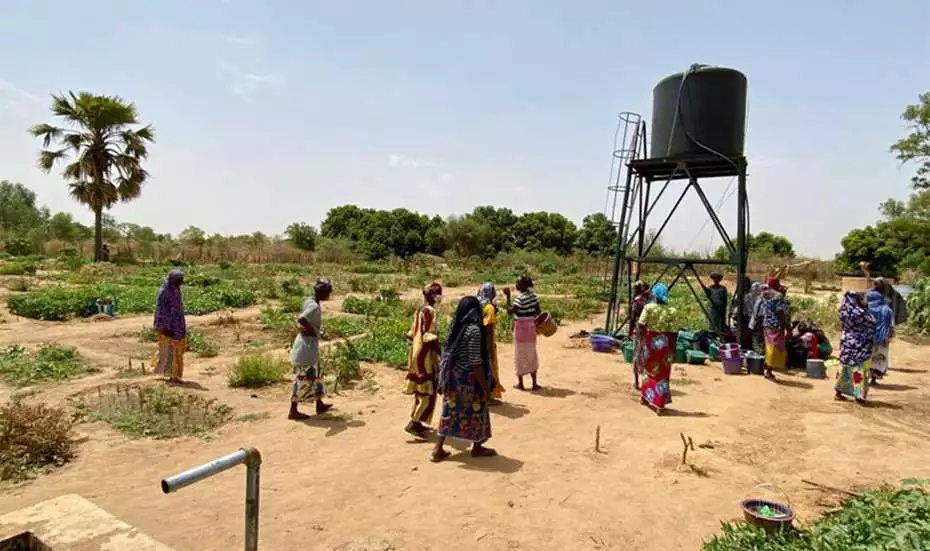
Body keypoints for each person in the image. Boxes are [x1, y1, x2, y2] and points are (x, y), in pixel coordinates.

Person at [432, 296, 497, 463]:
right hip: (470, 379)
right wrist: (484, 385)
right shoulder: (474, 330)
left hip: (454, 377)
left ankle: (437, 448)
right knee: (478, 410)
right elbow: (476, 362)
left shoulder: (456, 326)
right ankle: (477, 447)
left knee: (449, 411)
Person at [288, 278, 334, 420]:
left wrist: (317, 330)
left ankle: (319, 403)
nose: (329, 295)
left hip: (308, 343)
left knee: (316, 374)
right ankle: (293, 411)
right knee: (302, 377)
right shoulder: (314, 306)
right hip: (306, 345)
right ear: (322, 293)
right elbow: (301, 319)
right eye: (328, 292)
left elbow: (307, 320)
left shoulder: (310, 301)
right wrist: (316, 331)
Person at [404, 283, 443, 438]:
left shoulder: (419, 310)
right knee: (427, 392)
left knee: (420, 391)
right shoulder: (430, 311)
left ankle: (418, 422)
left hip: (416, 353)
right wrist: (442, 353)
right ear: (435, 296)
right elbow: (429, 337)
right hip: (425, 356)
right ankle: (414, 423)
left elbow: (410, 334)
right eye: (439, 294)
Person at [637, 283, 679, 415]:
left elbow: (641, 324)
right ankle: (660, 404)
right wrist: (673, 348)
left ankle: (645, 397)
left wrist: (643, 337)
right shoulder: (673, 311)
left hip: (650, 342)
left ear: (654, 294)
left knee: (648, 369)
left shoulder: (649, 308)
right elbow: (674, 332)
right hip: (666, 344)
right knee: (663, 374)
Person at [835, 292, 876, 404]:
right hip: (860, 345)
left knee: (845, 368)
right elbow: (872, 322)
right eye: (863, 299)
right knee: (859, 369)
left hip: (847, 343)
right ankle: (858, 395)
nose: (865, 301)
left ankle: (838, 392)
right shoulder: (860, 313)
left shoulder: (844, 312)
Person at [505, 274, 541, 391]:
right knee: (531, 353)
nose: (516, 285)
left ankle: (521, 384)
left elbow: (510, 312)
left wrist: (508, 297)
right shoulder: (534, 297)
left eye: (518, 283)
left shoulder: (519, 299)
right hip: (531, 329)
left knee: (520, 354)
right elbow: (538, 312)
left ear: (523, 285)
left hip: (521, 329)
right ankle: (534, 383)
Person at [152, 269, 187, 383]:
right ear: (173, 280)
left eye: (181, 280)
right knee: (169, 351)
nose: (181, 282)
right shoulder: (165, 292)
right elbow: (161, 312)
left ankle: (173, 374)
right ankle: (172, 375)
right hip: (167, 328)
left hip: (177, 326)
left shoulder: (176, 290)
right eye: (179, 280)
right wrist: (165, 328)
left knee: (177, 351)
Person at [477, 282, 504, 405]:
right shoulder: (489, 308)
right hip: (485, 343)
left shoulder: (476, 303)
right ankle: (488, 397)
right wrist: (489, 349)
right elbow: (488, 328)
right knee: (488, 369)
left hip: (474, 342)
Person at [761, 277, 789, 380]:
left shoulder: (764, 294)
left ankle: (767, 367)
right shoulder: (779, 296)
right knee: (775, 347)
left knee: (769, 346)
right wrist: (784, 325)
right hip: (776, 324)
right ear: (777, 285)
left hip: (767, 323)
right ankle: (769, 370)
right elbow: (780, 311)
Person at [867, 289, 894, 385]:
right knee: (879, 358)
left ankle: (865, 377)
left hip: (868, 338)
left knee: (868, 357)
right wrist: (889, 337)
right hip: (882, 338)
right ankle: (874, 379)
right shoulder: (887, 310)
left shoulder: (866, 308)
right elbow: (891, 326)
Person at [629, 280, 650, 389]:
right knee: (646, 354)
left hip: (638, 329)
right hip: (648, 330)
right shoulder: (650, 301)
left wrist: (629, 330)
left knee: (637, 354)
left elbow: (633, 318)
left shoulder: (637, 301)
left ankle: (637, 382)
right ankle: (645, 382)